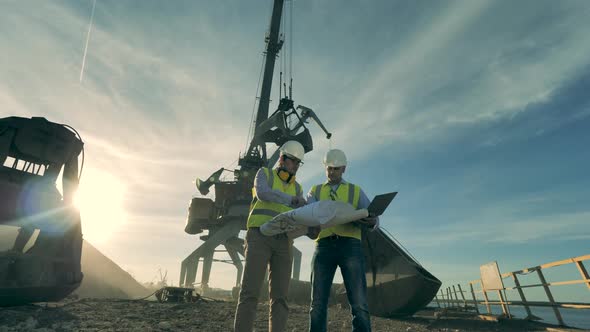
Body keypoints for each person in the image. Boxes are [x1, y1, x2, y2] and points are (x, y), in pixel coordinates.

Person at [234, 140, 307, 332]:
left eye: (299, 163)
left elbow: (299, 215)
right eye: (294, 161)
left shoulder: (298, 188)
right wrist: (292, 200)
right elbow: (263, 194)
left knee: (280, 297)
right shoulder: (264, 174)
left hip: (284, 241)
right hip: (259, 236)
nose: (296, 166)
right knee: (250, 292)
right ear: (282, 159)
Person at [307, 149, 378, 332]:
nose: (331, 173)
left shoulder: (356, 191)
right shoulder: (314, 191)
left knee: (359, 303)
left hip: (350, 246)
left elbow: (373, 217)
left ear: (344, 169)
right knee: (317, 303)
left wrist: (371, 221)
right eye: (329, 168)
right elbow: (307, 217)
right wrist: (309, 227)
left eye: (336, 169)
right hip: (323, 247)